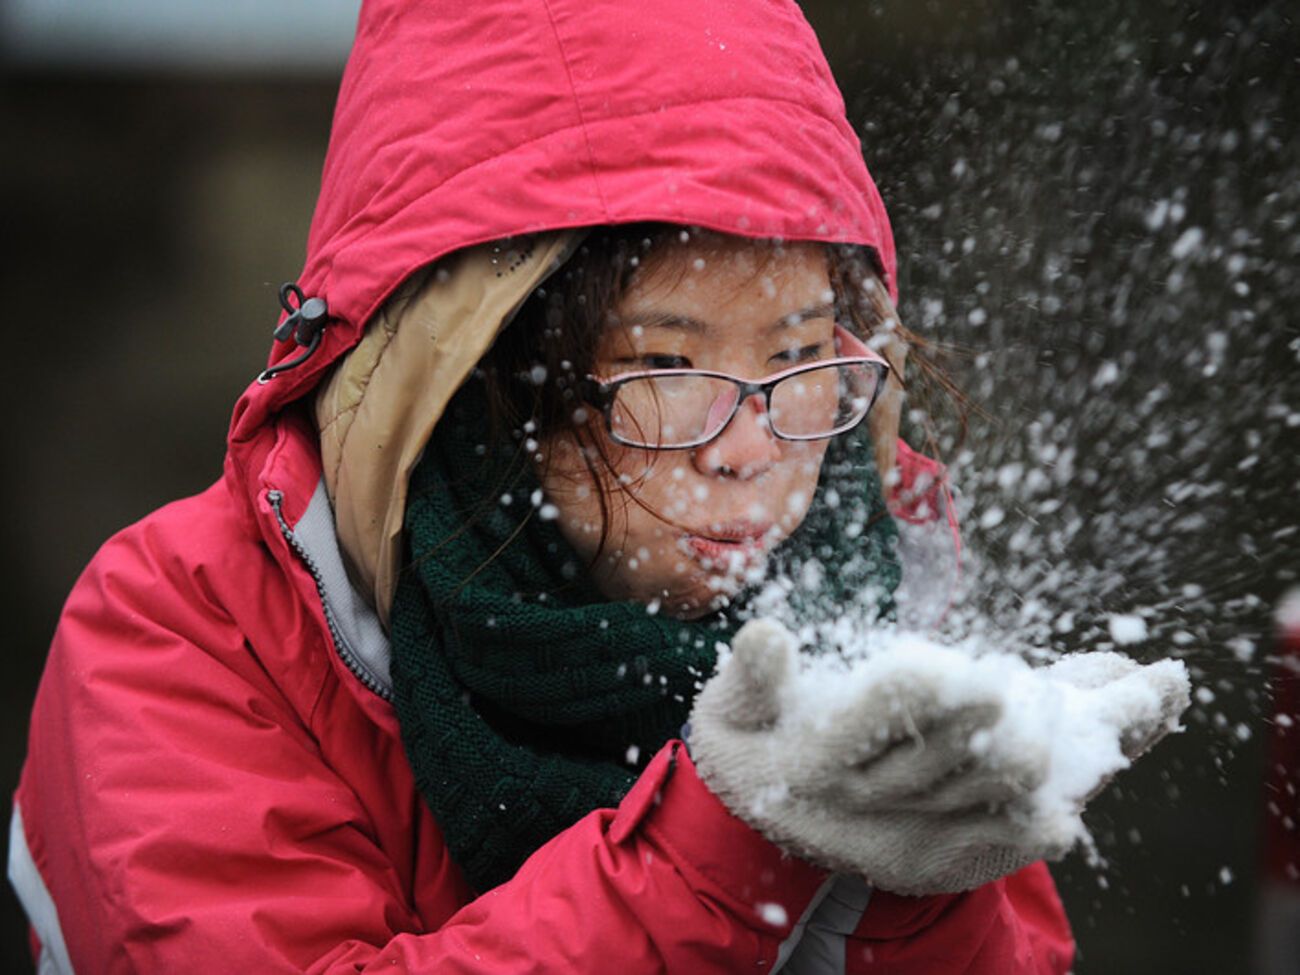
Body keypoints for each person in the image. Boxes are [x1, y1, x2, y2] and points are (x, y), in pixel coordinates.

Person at [8, 1, 1186, 971]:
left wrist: (922, 880)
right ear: (472, 380)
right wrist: (716, 849)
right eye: (665, 368)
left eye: (796, 358)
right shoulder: (189, 632)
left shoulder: (883, 631)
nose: (749, 448)